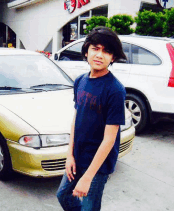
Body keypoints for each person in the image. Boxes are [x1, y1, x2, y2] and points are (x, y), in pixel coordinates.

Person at [57, 26, 127, 211]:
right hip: (77, 157)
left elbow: (109, 139)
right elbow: (76, 118)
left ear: (113, 57)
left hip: (98, 165)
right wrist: (69, 155)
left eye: (107, 51)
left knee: (89, 208)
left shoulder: (115, 90)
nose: (100, 55)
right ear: (86, 50)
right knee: (62, 195)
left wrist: (88, 177)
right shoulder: (80, 81)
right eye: (95, 48)